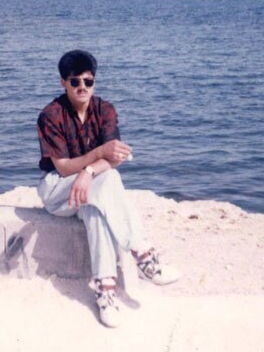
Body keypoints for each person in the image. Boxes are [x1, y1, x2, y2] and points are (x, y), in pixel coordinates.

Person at [36, 49, 180, 328]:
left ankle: (105, 291)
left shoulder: (105, 110)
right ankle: (144, 255)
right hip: (57, 190)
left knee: (97, 210)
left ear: (95, 82)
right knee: (109, 180)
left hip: (89, 186)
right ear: (63, 83)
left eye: (88, 81)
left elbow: (116, 158)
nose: (82, 87)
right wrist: (98, 154)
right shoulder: (50, 115)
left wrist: (89, 172)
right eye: (75, 81)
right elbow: (63, 167)